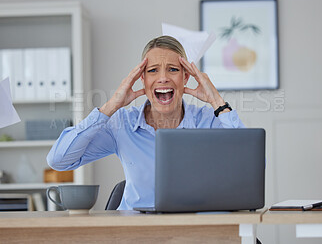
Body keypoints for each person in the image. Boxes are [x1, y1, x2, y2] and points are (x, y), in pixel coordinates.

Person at [47, 35, 245, 210]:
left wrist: (217, 102)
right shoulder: (122, 124)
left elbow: (249, 166)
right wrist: (110, 107)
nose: (163, 78)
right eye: (153, 71)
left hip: (192, 231)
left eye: (173, 69)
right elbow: (59, 160)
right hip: (136, 233)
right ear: (141, 78)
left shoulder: (209, 121)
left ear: (186, 77)